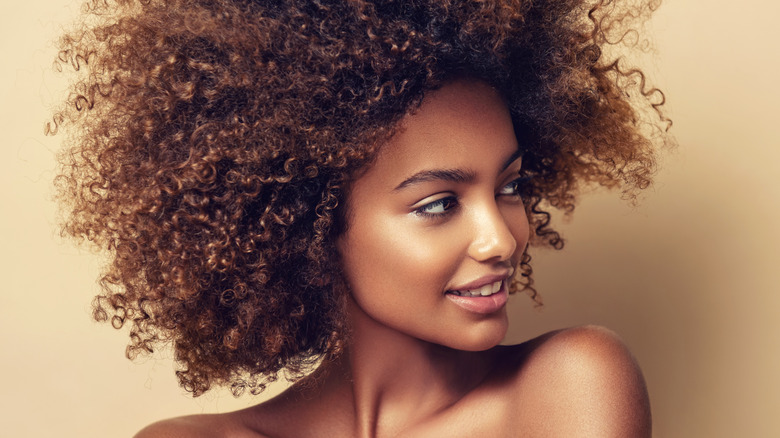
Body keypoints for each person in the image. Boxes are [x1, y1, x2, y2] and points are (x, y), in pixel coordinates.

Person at [52, 0, 670, 436]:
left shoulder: (568, 388)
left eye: (510, 187)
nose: (501, 237)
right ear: (310, 226)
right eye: (438, 204)